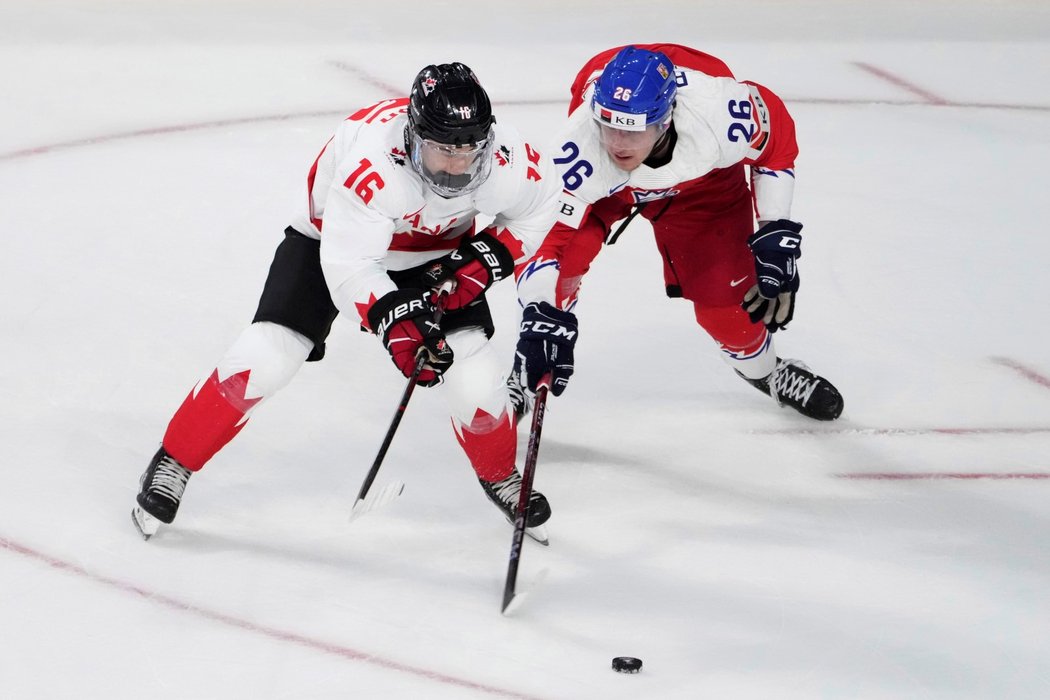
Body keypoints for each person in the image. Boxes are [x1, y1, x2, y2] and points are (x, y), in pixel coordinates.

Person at [133, 63, 562, 540]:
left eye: (469, 150)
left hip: (438, 252)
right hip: (330, 241)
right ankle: (175, 460)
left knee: (476, 379)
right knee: (266, 356)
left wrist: (489, 258)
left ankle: (500, 473)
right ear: (414, 136)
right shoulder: (374, 166)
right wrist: (395, 323)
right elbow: (350, 264)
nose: (459, 164)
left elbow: (542, 206)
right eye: (444, 150)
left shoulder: (505, 158)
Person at [510, 44, 844, 421]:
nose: (617, 143)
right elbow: (539, 243)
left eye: (632, 130)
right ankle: (528, 371)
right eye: (609, 125)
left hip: (703, 187)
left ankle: (768, 372)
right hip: (608, 188)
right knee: (560, 269)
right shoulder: (580, 150)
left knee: (730, 314)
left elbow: (777, 140)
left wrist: (774, 226)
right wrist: (540, 317)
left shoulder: (718, 114)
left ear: (666, 119)